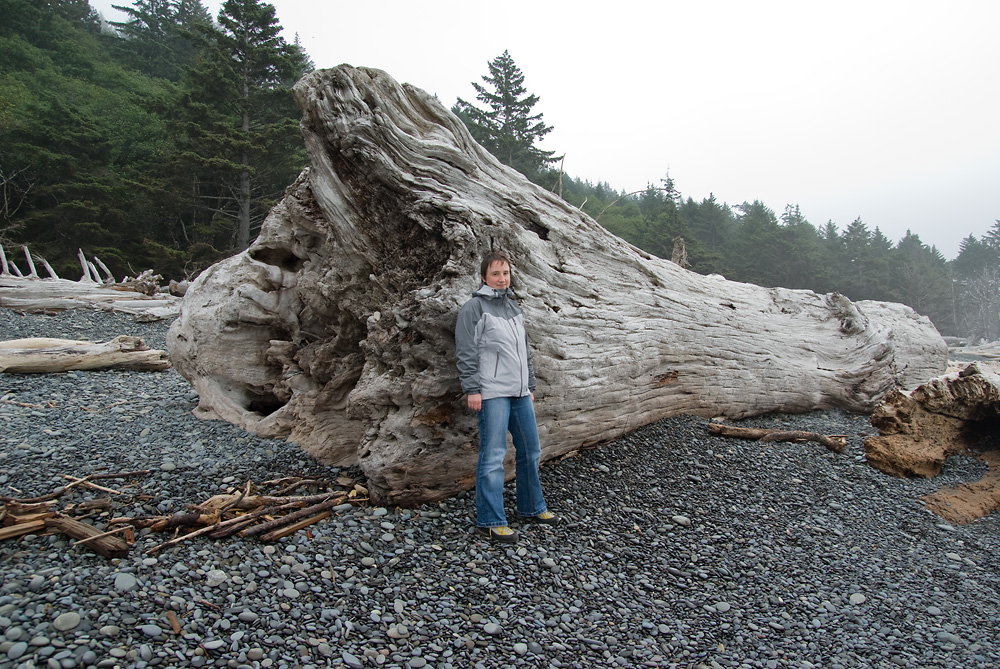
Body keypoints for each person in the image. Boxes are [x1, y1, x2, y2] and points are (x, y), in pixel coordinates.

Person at [455, 250, 559, 543]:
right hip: (492, 394)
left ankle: (531, 508)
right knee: (493, 456)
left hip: (520, 393)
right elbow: (465, 351)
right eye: (496, 274)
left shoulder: (514, 308)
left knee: (531, 450)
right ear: (484, 277)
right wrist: (473, 389)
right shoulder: (473, 308)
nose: (502, 279)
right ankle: (490, 519)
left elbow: (524, 350)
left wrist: (530, 384)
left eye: (506, 273)